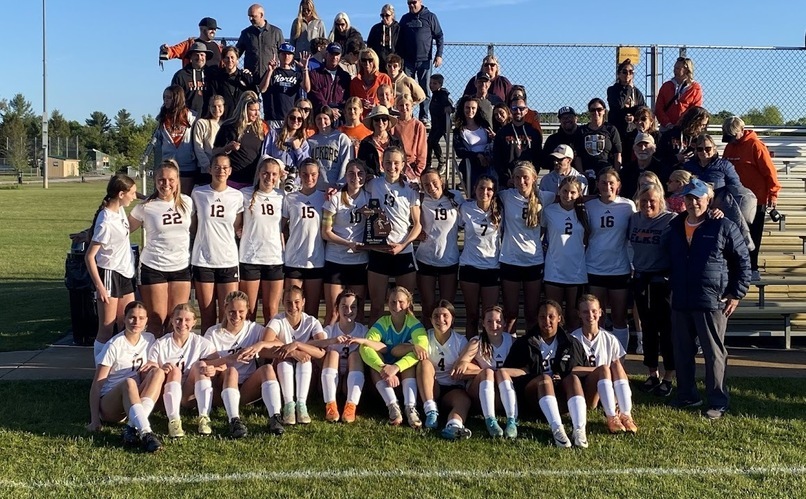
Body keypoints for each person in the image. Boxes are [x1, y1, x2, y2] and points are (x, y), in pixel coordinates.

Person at [668, 179, 750, 419]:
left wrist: (736, 293)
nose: (693, 202)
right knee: (682, 351)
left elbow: (743, 261)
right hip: (681, 299)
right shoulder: (675, 226)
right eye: (689, 198)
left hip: (711, 300)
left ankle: (718, 400)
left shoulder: (723, 225)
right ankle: (687, 395)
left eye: (697, 198)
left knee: (714, 353)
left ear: (708, 200)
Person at [503, 300, 589, 448]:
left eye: (551, 316)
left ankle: (579, 430)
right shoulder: (525, 343)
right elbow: (512, 375)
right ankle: (557, 429)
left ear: (559, 318)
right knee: (545, 379)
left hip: (562, 395)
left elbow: (580, 370)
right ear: (537, 318)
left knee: (573, 378)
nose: (547, 321)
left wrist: (561, 376)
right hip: (534, 396)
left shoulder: (571, 342)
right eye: (542, 317)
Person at [202, 290, 285, 438]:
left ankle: (275, 417)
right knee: (232, 370)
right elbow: (206, 363)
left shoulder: (253, 328)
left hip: (247, 387)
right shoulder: (213, 332)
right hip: (223, 386)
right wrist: (229, 359)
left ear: (247, 310)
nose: (236, 316)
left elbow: (280, 344)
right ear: (225, 308)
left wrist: (261, 344)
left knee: (267, 368)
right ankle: (234, 420)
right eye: (232, 311)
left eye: (241, 311)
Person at [87, 301, 163, 452]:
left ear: (147, 320)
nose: (136, 322)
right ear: (124, 319)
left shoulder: (149, 339)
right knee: (128, 382)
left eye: (141, 318)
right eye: (132, 317)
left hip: (134, 398)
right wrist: (94, 420)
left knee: (158, 372)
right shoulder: (114, 345)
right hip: (111, 404)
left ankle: (131, 426)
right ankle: (146, 432)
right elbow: (97, 385)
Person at [128, 162, 192, 335]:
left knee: (176, 321)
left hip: (181, 267)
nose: (166, 184)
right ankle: (153, 361)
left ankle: (173, 361)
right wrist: (90, 233)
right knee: (156, 320)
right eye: (161, 180)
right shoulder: (145, 206)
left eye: (170, 179)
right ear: (155, 181)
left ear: (177, 180)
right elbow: (121, 229)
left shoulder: (188, 202)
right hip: (154, 267)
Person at [365, 147, 422, 324]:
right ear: (382, 164)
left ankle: (409, 345)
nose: (392, 166)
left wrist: (402, 245)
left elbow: (417, 224)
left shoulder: (410, 189)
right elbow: (351, 187)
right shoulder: (373, 184)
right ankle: (372, 347)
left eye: (396, 163)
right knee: (376, 306)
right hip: (379, 250)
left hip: (402, 251)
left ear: (403, 165)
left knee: (407, 307)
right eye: (388, 162)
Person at [629, 184, 677, 397]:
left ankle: (669, 376)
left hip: (662, 280)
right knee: (647, 328)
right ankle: (652, 373)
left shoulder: (671, 219)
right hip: (640, 278)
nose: (648, 204)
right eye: (644, 200)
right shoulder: (634, 218)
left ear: (661, 201)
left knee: (666, 329)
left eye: (652, 201)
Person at [85, 174, 138, 361]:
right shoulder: (106, 221)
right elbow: (90, 256)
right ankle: (100, 368)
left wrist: (149, 197)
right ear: (121, 194)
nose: (134, 196)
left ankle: (120, 363)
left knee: (127, 321)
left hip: (124, 273)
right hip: (109, 274)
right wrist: (100, 286)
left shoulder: (119, 210)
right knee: (107, 326)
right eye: (132, 193)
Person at [722, 116, 781, 280]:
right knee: (733, 235)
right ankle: (735, 268)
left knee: (753, 235)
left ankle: (752, 268)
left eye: (733, 136)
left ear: (741, 131)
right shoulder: (730, 147)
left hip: (756, 200)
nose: (732, 140)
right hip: (734, 199)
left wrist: (773, 194)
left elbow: (770, 172)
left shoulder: (756, 145)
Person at [190, 154, 244, 334]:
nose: (221, 170)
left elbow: (236, 226)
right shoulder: (198, 193)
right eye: (217, 167)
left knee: (227, 315)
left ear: (230, 171)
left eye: (225, 167)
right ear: (210, 169)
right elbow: (194, 226)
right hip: (203, 259)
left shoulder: (237, 196)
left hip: (228, 259)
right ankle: (207, 357)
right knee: (207, 316)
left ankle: (225, 356)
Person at [360, 286, 428, 428]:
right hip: (385, 378)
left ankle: (410, 408)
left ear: (408, 303)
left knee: (411, 361)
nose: (397, 306)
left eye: (401, 302)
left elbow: (422, 350)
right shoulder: (383, 322)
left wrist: (396, 367)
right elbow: (365, 346)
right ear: (387, 303)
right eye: (393, 302)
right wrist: (384, 368)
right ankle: (393, 406)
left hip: (404, 376)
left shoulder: (415, 325)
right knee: (373, 360)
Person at [585, 167, 637, 350]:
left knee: (619, 317)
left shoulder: (627, 206)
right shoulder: (589, 206)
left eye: (611, 183)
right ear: (597, 185)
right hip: (594, 267)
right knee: (595, 317)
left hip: (619, 268)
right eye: (603, 182)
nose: (607, 186)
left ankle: (619, 359)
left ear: (618, 185)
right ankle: (598, 356)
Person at [570, 295, 638, 433]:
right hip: (586, 391)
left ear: (600, 312)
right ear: (579, 314)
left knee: (617, 365)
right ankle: (612, 417)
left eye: (594, 311)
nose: (590, 315)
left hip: (607, 388)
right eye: (585, 312)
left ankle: (626, 415)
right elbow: (571, 370)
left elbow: (619, 370)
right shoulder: (573, 338)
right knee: (605, 369)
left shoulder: (610, 338)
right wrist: (600, 370)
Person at [146, 304, 216, 437]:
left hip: (189, 394)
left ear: (194, 322)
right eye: (178, 319)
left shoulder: (201, 342)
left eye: (187, 320)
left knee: (201, 365)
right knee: (175, 370)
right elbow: (150, 369)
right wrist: (160, 369)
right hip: (166, 394)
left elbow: (220, 364)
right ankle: (174, 420)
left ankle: (204, 417)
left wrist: (214, 369)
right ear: (172, 320)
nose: (182, 324)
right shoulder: (161, 343)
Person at [453, 306, 518, 438]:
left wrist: (501, 373)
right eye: (489, 321)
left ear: (505, 323)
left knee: (501, 373)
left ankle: (512, 421)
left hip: (502, 392)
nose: (494, 325)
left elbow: (524, 370)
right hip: (479, 392)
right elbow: (458, 369)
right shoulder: (476, 342)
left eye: (498, 321)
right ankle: (490, 420)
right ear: (483, 323)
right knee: (488, 372)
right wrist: (486, 372)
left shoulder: (512, 341)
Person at [315, 290, 379, 423]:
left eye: (353, 306)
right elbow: (313, 343)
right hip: (331, 378)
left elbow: (381, 347)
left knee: (355, 355)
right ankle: (330, 405)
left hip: (350, 378)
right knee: (332, 353)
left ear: (358, 309)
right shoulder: (330, 329)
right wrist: (333, 341)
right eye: (344, 306)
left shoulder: (362, 330)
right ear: (337, 308)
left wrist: (362, 341)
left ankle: (351, 406)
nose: (348, 310)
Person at [265, 286, 326, 425]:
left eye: (297, 302)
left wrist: (298, 345)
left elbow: (322, 350)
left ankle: (301, 404)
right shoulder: (278, 320)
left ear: (303, 301)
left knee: (306, 360)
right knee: (284, 360)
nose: (293, 306)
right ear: (282, 303)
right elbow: (264, 344)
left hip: (304, 367)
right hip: (282, 366)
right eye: (288, 302)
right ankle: (288, 405)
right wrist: (291, 352)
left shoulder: (311, 321)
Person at [413, 300, 473, 439]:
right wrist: (413, 347)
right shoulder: (424, 337)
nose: (441, 319)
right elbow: (396, 350)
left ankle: (454, 426)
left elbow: (472, 365)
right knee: (425, 363)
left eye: (445, 315)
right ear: (430, 319)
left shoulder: (460, 341)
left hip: (452, 387)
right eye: (436, 316)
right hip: (430, 386)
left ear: (452, 319)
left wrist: (463, 366)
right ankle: (430, 410)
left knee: (463, 401)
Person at [499, 161, 546, 335]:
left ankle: (530, 348)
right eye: (517, 177)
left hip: (533, 261)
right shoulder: (506, 195)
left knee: (531, 313)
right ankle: (508, 348)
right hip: (510, 259)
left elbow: (574, 197)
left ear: (534, 178)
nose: (521, 181)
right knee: (510, 313)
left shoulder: (544, 197)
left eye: (525, 177)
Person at [321, 159, 370, 324]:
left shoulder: (369, 197)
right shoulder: (334, 198)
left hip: (359, 261)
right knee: (334, 312)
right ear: (345, 176)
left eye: (360, 173)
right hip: (336, 259)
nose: (356, 177)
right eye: (351, 173)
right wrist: (348, 243)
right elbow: (326, 232)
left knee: (358, 312)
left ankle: (357, 348)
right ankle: (327, 348)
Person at [239, 157, 285, 322]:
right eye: (265, 173)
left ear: (279, 176)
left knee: (271, 312)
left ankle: (268, 347)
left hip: (274, 258)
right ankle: (248, 347)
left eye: (274, 174)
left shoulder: (282, 196)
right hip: (250, 258)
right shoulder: (245, 194)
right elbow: (236, 222)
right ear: (259, 173)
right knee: (249, 311)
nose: (269, 177)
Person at [541, 176, 590, 331]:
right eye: (565, 191)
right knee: (553, 313)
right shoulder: (549, 211)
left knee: (573, 314)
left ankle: (572, 349)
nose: (568, 196)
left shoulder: (585, 212)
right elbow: (539, 234)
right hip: (554, 269)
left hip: (577, 270)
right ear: (559, 191)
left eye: (572, 192)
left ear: (579, 194)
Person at [416, 168, 463, 328]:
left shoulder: (455, 197)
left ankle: (447, 342)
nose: (431, 187)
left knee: (446, 308)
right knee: (428, 307)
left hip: (449, 259)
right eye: (426, 184)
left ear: (441, 181)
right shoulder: (420, 198)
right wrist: (414, 232)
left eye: (434, 182)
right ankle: (427, 341)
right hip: (425, 259)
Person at [457, 176, 502, 338]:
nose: (485, 192)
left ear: (494, 192)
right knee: (472, 316)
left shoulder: (499, 210)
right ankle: (471, 353)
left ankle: (489, 351)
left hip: (492, 267)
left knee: (490, 317)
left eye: (489, 189)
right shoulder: (466, 208)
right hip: (469, 267)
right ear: (475, 189)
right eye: (481, 188)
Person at [282, 159, 326, 318]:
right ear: (299, 175)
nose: (309, 178)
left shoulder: (325, 197)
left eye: (313, 174)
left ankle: (309, 343)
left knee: (312, 310)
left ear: (318, 175)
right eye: (305, 174)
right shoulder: (290, 198)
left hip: (315, 259)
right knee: (293, 308)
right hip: (294, 259)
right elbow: (281, 227)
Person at [396, 0, 444, 125]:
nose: (412, 5)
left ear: (420, 1)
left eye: (414, 2)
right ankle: (408, 115)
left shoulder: (430, 17)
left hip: (424, 60)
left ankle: (424, 117)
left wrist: (439, 55)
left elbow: (439, 36)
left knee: (425, 89)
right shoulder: (405, 19)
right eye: (409, 3)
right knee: (407, 90)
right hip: (408, 61)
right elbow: (399, 39)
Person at [213, 91, 268, 188]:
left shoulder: (261, 128)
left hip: (253, 181)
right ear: (244, 109)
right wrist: (227, 148)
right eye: (253, 110)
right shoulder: (229, 127)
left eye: (258, 110)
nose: (257, 113)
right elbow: (214, 152)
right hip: (232, 180)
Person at [155, 85, 197, 195]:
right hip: (169, 164)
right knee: (169, 197)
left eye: (168, 97)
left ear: (177, 98)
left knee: (185, 197)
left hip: (187, 164)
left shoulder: (192, 117)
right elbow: (158, 141)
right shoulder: (162, 118)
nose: (165, 100)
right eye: (164, 98)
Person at [258, 43, 311, 129]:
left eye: (289, 54)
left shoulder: (297, 75)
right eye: (283, 53)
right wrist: (270, 71)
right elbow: (262, 89)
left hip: (291, 117)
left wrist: (305, 69)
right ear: (279, 55)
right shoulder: (273, 72)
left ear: (293, 56)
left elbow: (307, 88)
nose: (286, 56)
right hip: (273, 117)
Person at [493, 97, 542, 188]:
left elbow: (538, 157)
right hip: (508, 181)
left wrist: (532, 176)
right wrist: (506, 179)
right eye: (514, 108)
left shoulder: (533, 132)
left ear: (526, 110)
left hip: (528, 179)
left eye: (521, 108)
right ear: (510, 110)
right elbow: (497, 159)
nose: (518, 111)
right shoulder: (502, 132)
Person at [236, 4, 285, 95]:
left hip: (271, 77)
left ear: (261, 15)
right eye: (249, 16)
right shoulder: (246, 33)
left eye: (253, 16)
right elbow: (236, 53)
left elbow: (283, 53)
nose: (250, 19)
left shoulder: (276, 32)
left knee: (270, 107)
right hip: (251, 78)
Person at [574, 98, 622, 176]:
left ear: (604, 111)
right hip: (588, 172)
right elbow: (578, 156)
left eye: (599, 109)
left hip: (606, 171)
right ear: (589, 112)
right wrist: (581, 173)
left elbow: (617, 153)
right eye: (593, 110)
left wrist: (616, 173)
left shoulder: (610, 129)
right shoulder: (582, 131)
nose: (596, 112)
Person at [308, 106, 353, 187]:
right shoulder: (311, 141)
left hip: (336, 188)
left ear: (331, 119)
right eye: (318, 119)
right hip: (316, 188)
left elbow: (347, 162)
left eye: (325, 118)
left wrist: (340, 185)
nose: (322, 122)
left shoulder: (341, 138)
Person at [655, 57, 703, 131]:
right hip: (667, 128)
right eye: (674, 67)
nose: (674, 70)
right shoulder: (666, 86)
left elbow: (696, 110)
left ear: (686, 70)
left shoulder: (695, 88)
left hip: (686, 128)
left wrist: (684, 124)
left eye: (678, 68)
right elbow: (659, 108)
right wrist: (668, 124)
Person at [656, 106, 710, 171]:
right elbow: (659, 158)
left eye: (705, 125)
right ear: (693, 122)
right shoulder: (670, 135)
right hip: (672, 172)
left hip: (694, 172)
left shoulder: (700, 139)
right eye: (702, 125)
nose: (703, 128)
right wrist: (675, 159)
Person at [209, 47, 255, 122]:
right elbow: (214, 98)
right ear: (223, 60)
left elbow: (253, 96)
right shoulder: (217, 78)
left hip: (242, 119)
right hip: (224, 120)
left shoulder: (245, 76)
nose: (230, 60)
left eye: (232, 57)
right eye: (227, 58)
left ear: (237, 59)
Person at [308, 42, 352, 120]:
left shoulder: (345, 76)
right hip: (320, 116)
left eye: (337, 54)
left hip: (339, 117)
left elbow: (346, 98)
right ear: (326, 54)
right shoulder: (315, 74)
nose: (334, 57)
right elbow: (315, 94)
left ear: (340, 56)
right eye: (332, 54)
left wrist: (339, 110)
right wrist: (328, 110)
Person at [357, 105, 402, 178]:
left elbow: (402, 162)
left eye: (384, 119)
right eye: (377, 119)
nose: (380, 122)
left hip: (393, 178)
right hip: (372, 181)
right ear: (372, 122)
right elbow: (361, 165)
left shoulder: (396, 142)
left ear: (388, 121)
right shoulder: (365, 143)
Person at [620, 132, 668, 201]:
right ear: (634, 148)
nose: (643, 148)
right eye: (639, 145)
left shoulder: (663, 170)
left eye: (646, 145)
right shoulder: (626, 171)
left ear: (654, 148)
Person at [261, 107, 310, 174]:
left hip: (294, 180)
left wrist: (298, 149)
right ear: (287, 118)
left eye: (299, 119)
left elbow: (306, 165)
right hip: (275, 176)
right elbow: (265, 156)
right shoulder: (273, 134)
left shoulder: (303, 142)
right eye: (292, 118)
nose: (296, 121)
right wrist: (279, 167)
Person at [607, 59, 646, 140]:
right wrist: (629, 88)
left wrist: (634, 117)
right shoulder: (612, 90)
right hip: (617, 130)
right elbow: (619, 105)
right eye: (624, 72)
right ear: (619, 74)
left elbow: (643, 109)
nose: (628, 74)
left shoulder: (637, 92)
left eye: (631, 72)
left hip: (633, 130)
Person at [170, 42, 213, 117]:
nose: (199, 58)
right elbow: (174, 99)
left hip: (208, 118)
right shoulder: (181, 75)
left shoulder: (212, 75)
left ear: (206, 57)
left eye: (202, 55)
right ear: (191, 57)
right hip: (186, 119)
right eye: (196, 55)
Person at [393, 94, 428, 181]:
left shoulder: (418, 125)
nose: (404, 108)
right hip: (396, 166)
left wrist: (417, 172)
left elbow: (422, 152)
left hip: (412, 167)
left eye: (407, 105)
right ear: (397, 107)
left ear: (412, 106)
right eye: (401, 105)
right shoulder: (393, 124)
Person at [192, 95, 225, 183]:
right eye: (213, 106)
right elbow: (198, 147)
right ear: (209, 107)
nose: (217, 109)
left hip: (221, 170)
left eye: (219, 106)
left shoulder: (226, 125)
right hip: (205, 170)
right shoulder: (202, 123)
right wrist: (207, 166)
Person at [350, 48, 393, 115]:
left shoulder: (384, 78)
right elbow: (351, 102)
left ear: (375, 61)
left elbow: (391, 101)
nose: (367, 63)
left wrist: (376, 105)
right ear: (360, 62)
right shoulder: (355, 81)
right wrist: (360, 102)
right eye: (364, 60)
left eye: (370, 60)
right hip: (360, 119)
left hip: (379, 118)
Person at [427, 73, 453, 170]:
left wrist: (449, 107)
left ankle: (442, 161)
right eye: (430, 83)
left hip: (442, 124)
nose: (431, 85)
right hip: (435, 124)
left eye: (435, 83)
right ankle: (428, 163)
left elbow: (449, 104)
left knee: (433, 141)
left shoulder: (442, 95)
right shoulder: (434, 95)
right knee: (428, 142)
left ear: (440, 85)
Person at [367, 4, 400, 72]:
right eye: (382, 15)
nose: (384, 18)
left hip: (394, 66)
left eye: (387, 15)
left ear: (392, 16)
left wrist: (399, 64)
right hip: (379, 65)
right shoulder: (376, 29)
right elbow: (370, 46)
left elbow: (403, 47)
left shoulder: (399, 29)